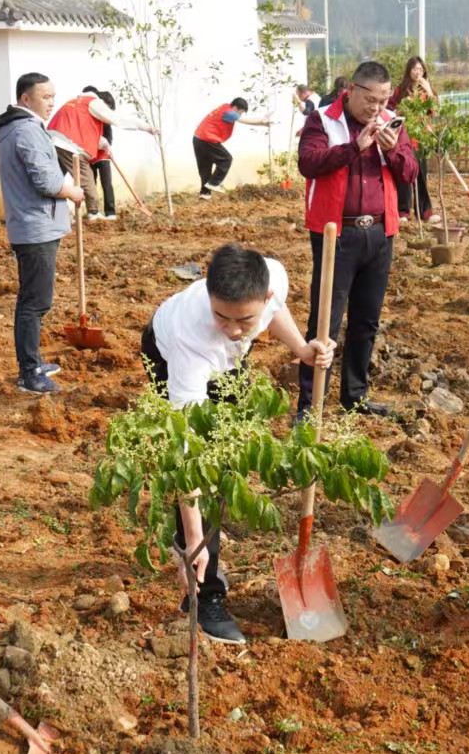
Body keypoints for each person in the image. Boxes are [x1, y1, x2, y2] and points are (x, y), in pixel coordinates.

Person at [141, 243, 333, 642]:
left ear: (263, 297)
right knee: (208, 468)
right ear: (208, 295)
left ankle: (193, 537)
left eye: (244, 319)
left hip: (226, 364)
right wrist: (195, 543)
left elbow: (276, 311)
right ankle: (204, 593)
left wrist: (302, 350)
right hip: (168, 356)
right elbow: (188, 455)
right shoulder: (190, 346)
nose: (231, 328)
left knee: (230, 451)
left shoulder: (272, 277)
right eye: (221, 316)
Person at [297, 60, 419, 417]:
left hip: (380, 232)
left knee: (366, 320)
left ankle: (355, 396)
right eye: (372, 100)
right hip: (337, 232)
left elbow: (410, 172)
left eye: (384, 101)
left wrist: (393, 148)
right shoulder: (322, 120)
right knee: (326, 319)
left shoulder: (391, 124)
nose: (378, 109)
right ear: (352, 90)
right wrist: (354, 148)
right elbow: (308, 162)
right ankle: (310, 403)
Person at [0, 73, 84, 395]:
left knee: (35, 299)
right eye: (45, 97)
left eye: (53, 96)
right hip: (36, 228)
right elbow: (45, 182)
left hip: (34, 225)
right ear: (25, 99)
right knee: (34, 302)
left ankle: (33, 361)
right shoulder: (26, 130)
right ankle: (29, 372)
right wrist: (71, 190)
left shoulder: (15, 128)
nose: (51, 103)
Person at [49, 86, 156, 221]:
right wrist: (145, 127)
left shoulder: (76, 103)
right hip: (69, 146)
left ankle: (55, 215)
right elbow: (118, 120)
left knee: (55, 180)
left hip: (52, 141)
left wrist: (104, 144)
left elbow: (85, 131)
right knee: (87, 181)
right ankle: (93, 214)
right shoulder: (94, 103)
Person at [388, 55, 438, 221]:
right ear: (409, 70)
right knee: (404, 171)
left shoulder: (427, 90)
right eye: (415, 69)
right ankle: (403, 211)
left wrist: (429, 91)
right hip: (404, 135)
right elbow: (391, 112)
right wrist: (404, 106)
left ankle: (424, 212)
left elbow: (435, 111)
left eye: (421, 69)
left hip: (421, 136)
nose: (418, 72)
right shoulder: (400, 90)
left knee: (421, 172)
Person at [192, 97, 270, 198]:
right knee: (226, 159)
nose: (239, 115)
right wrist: (263, 122)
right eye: (240, 112)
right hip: (207, 139)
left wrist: (263, 117)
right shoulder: (229, 112)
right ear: (236, 108)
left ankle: (205, 194)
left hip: (198, 139)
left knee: (205, 167)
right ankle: (213, 183)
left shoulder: (224, 106)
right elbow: (245, 121)